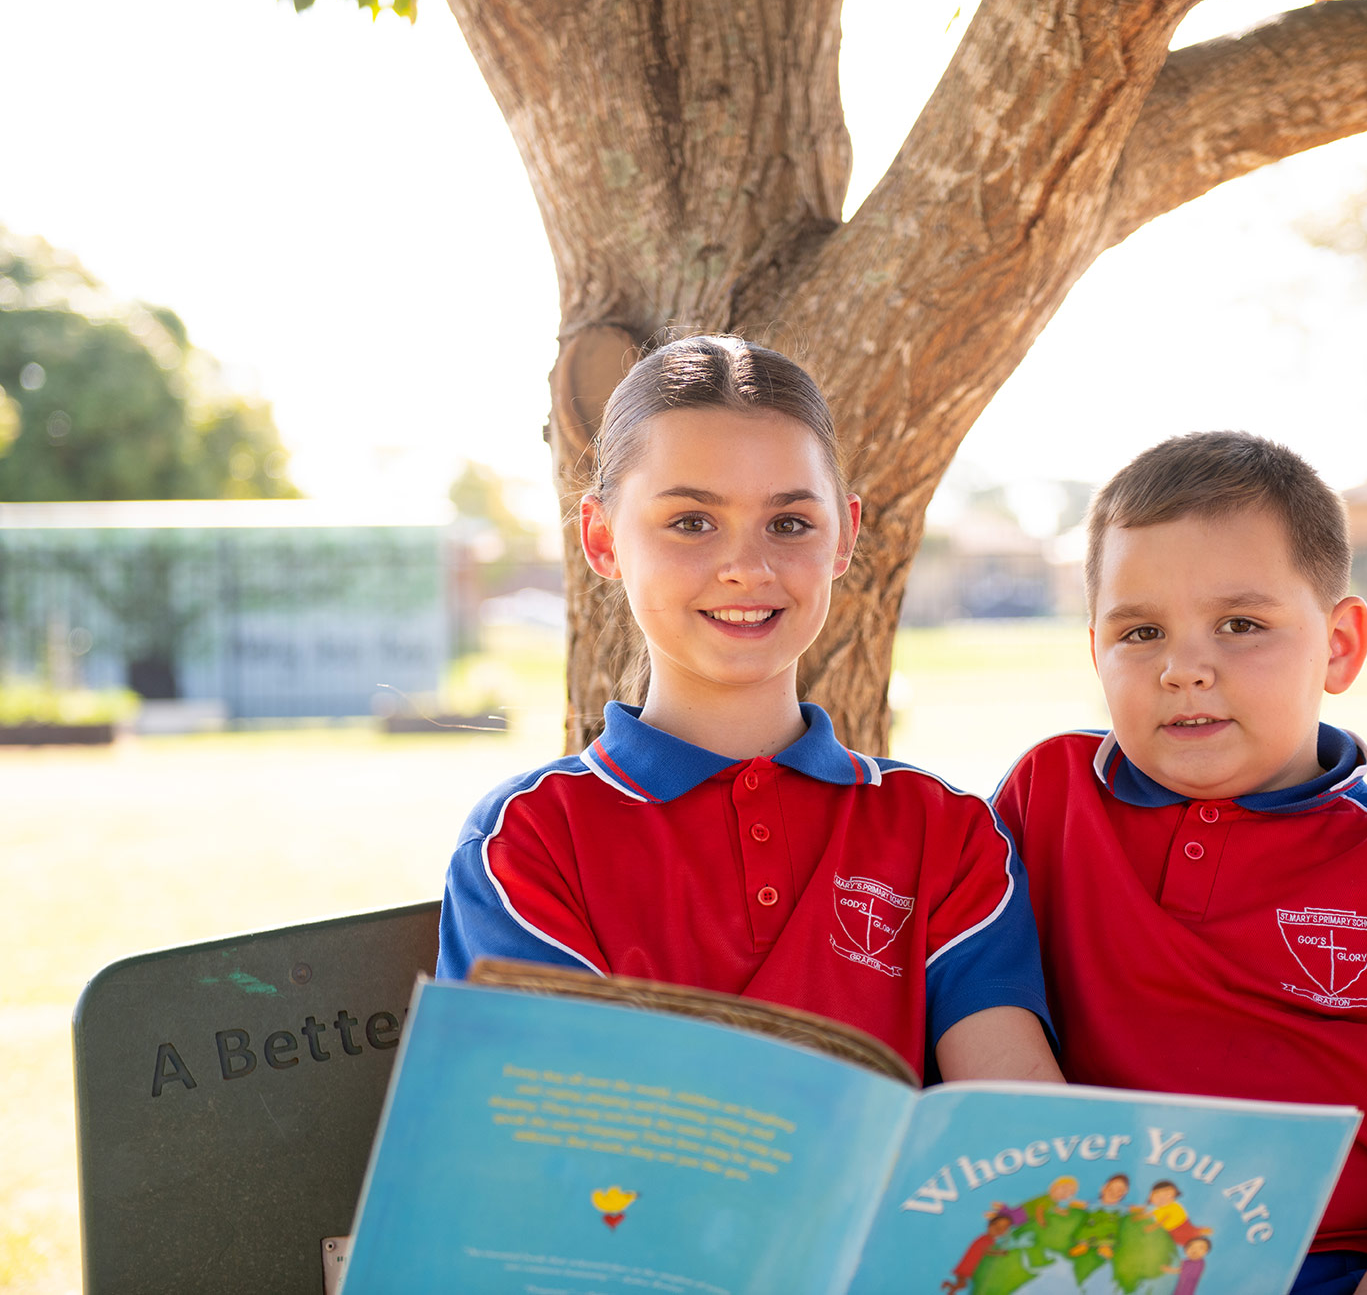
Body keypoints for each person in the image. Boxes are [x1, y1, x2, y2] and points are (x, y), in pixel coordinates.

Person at [994, 432, 1367, 1292]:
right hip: (1125, 1261)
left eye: (1240, 624)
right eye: (1141, 631)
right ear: (1094, 646)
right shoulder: (1044, 801)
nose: (1184, 668)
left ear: (1342, 644)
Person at [437, 334, 1059, 1084]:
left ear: (845, 537)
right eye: (692, 522)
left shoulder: (946, 834)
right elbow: (560, 1140)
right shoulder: (530, 841)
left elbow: (1011, 1128)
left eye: (790, 523)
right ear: (602, 539)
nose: (748, 567)